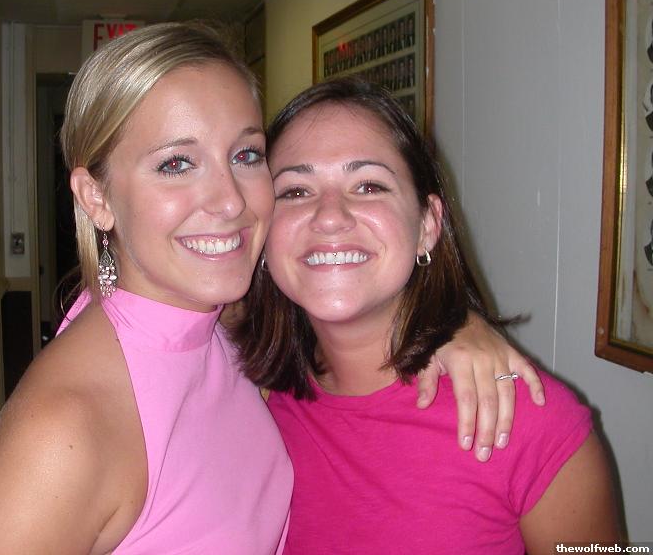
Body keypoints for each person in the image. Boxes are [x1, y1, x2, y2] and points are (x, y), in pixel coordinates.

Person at [0, 24, 541, 555]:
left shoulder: (222, 322)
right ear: (96, 197)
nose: (230, 201)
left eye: (245, 155)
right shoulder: (65, 427)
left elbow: (348, 298)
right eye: (176, 164)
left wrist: (456, 325)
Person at [235, 76, 619, 554]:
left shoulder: (525, 420)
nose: (329, 216)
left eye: (368, 185)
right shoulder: (245, 399)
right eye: (295, 191)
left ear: (428, 224)